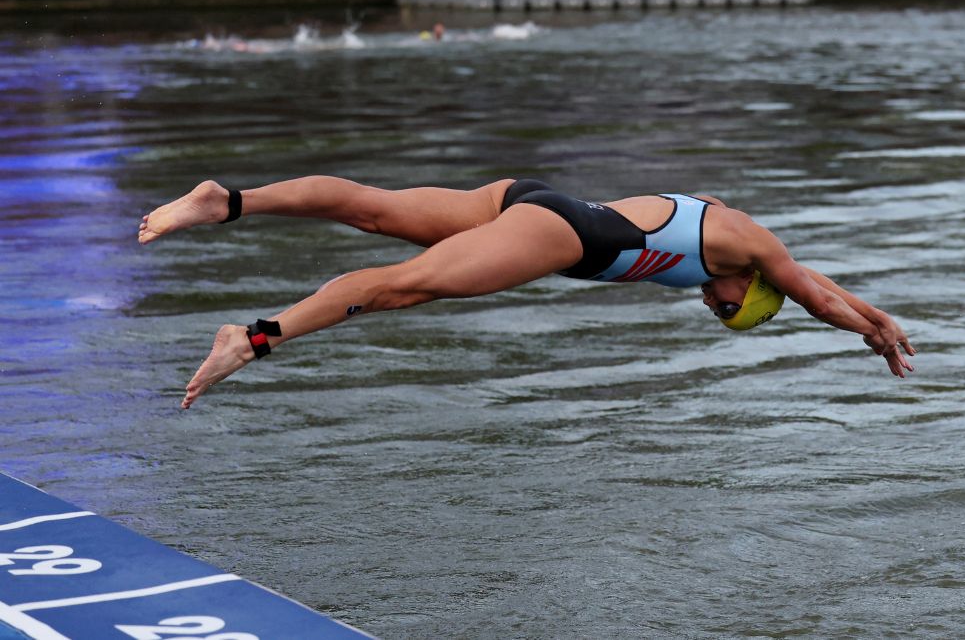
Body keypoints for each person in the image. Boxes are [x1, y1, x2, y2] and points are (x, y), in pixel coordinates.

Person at [138, 177, 916, 409]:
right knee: (401, 289)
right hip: (561, 236)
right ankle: (253, 337)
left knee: (372, 212)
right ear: (747, 287)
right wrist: (866, 334)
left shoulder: (752, 254)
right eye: (725, 307)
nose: (710, 306)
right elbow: (808, 292)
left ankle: (226, 201)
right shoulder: (744, 240)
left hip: (527, 201)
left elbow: (810, 279)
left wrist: (877, 314)